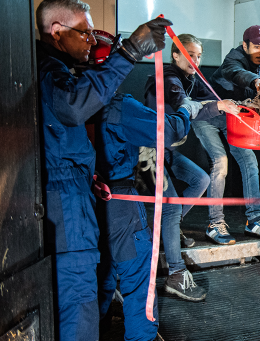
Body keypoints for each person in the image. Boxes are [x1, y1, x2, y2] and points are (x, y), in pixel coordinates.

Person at [36, 0, 169, 340]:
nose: (90, 41)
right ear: (56, 31)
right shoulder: (102, 99)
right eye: (85, 33)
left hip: (91, 202)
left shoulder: (54, 76)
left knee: (99, 285)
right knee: (134, 283)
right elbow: (167, 133)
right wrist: (189, 109)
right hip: (113, 202)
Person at [93, 85, 201, 339]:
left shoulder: (72, 95)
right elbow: (166, 129)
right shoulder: (117, 104)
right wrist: (187, 110)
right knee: (139, 279)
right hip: (119, 201)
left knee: (102, 271)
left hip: (88, 197)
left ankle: (99, 326)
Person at [144, 33, 238, 299]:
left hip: (166, 150)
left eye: (199, 56)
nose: (195, 60)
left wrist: (232, 105)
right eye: (190, 55)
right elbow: (185, 106)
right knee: (171, 208)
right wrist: (216, 106)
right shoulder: (169, 79)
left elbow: (209, 96)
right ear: (175, 55)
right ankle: (175, 273)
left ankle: (166, 229)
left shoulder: (190, 78)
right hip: (148, 152)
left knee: (201, 180)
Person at [192, 24, 260, 244]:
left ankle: (254, 220)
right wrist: (256, 81)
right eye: (256, 46)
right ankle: (215, 224)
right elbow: (235, 72)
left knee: (249, 161)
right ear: (244, 45)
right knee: (221, 162)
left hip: (234, 119)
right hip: (208, 115)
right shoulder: (234, 58)